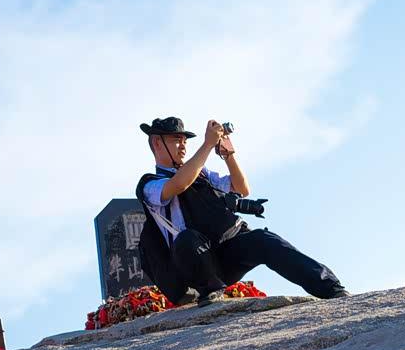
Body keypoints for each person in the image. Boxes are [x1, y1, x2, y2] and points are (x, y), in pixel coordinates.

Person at [135, 116, 349, 307]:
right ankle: (209, 291)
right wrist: (207, 145)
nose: (183, 145)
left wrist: (228, 155)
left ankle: (330, 287)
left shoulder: (202, 173)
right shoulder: (149, 184)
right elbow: (178, 184)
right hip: (192, 263)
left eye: (185, 140)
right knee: (187, 239)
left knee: (264, 239)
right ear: (157, 142)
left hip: (225, 254)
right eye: (176, 139)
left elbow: (241, 188)